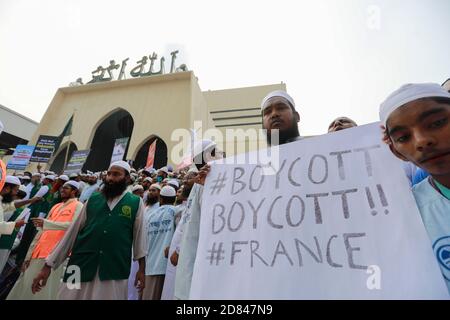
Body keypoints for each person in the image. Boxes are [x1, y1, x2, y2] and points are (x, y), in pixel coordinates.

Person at [31, 161, 146, 300]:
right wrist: (48, 266)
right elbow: (72, 234)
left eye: (116, 174)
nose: (110, 178)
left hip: (114, 267)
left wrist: (141, 269)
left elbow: (140, 238)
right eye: (109, 174)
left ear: (127, 178)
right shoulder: (93, 199)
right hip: (80, 263)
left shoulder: (135, 202)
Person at [379, 82, 450, 294]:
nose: (422, 141)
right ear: (397, 152)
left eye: (437, 123)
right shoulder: (406, 213)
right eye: (403, 137)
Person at [6, 181, 83, 300]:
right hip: (37, 252)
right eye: (62, 188)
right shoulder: (56, 206)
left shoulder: (78, 206)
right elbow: (41, 232)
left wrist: (47, 223)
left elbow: (74, 226)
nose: (62, 190)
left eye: (66, 188)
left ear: (74, 191)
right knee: (23, 286)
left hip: (54, 255)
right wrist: (28, 256)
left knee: (40, 291)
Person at [174, 140, 223, 300]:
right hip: (193, 255)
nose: (221, 153)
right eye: (215, 151)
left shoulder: (213, 182)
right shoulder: (200, 184)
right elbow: (189, 221)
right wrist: (179, 249)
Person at [161, 170, 197, 300]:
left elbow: (191, 227)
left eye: (190, 178)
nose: (186, 180)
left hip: (183, 255)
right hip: (175, 253)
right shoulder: (188, 201)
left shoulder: (198, 198)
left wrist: (178, 250)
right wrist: (171, 246)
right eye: (185, 178)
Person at [141, 186, 177, 300]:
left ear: (161, 199)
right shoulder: (178, 212)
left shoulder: (150, 214)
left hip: (150, 263)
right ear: (174, 199)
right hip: (168, 264)